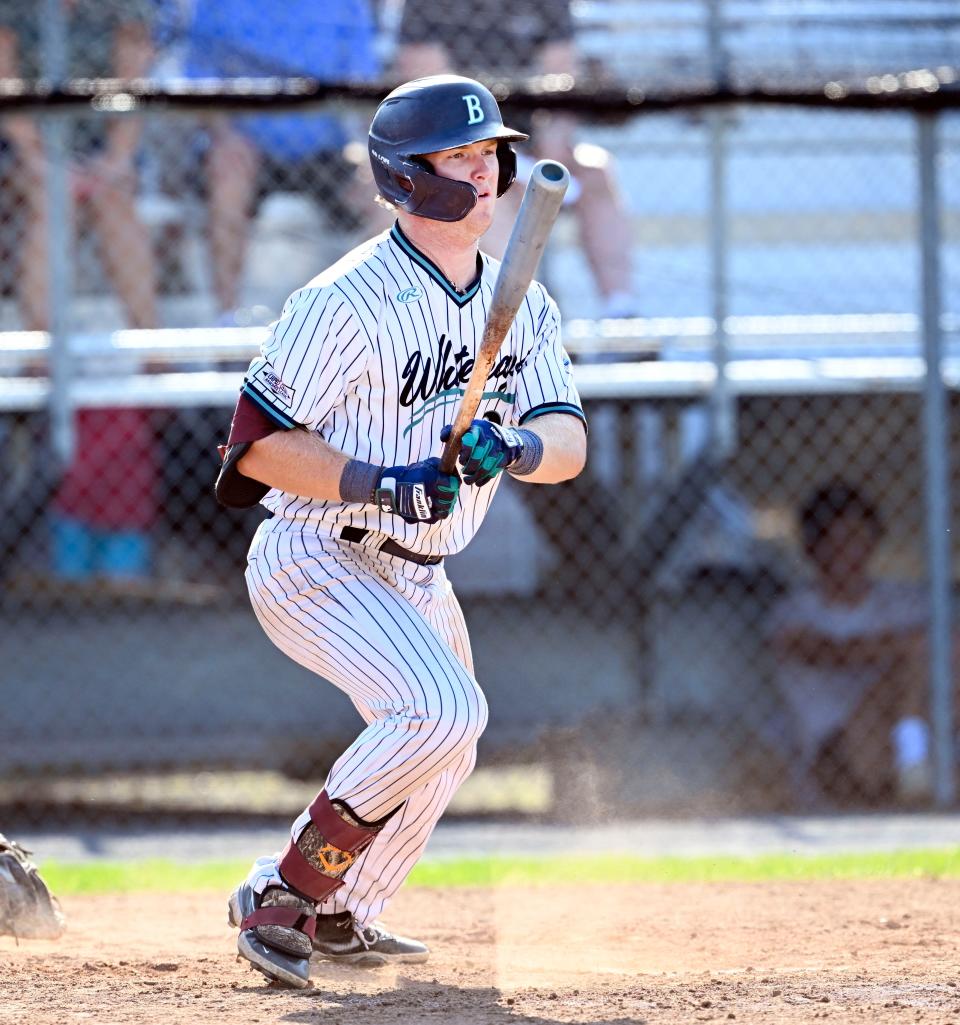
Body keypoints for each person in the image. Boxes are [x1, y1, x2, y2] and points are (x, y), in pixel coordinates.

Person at [214, 74, 587, 988]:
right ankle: (284, 889)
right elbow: (253, 449)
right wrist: (381, 482)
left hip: (422, 572)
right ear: (407, 178)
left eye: (488, 152)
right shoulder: (343, 300)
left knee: (449, 741)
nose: (486, 170)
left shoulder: (523, 303)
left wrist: (518, 445)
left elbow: (570, 440)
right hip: (320, 552)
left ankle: (346, 908)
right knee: (444, 708)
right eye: (458, 156)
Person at [0, 1, 162, 581]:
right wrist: (42, 161)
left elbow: (134, 74)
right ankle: (42, 341)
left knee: (117, 199)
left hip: (99, 151)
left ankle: (148, 345)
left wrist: (116, 160)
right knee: (50, 202)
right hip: (23, 148)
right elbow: (4, 78)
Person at [393, 0, 641, 321]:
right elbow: (432, 92)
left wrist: (553, 142)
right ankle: (525, 321)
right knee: (494, 187)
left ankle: (621, 312)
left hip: (531, 142)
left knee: (595, 172)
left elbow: (562, 75)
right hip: (461, 148)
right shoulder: (430, 5)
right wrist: (494, 154)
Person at [181, 0, 385, 326]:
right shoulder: (215, 4)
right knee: (227, 166)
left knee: (384, 187)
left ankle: (362, 322)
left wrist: (365, 151)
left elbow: (362, 88)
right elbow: (199, 79)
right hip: (248, 145)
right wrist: (224, 133)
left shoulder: (348, 4)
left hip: (328, 151)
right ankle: (227, 321)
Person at [766, 481, 934, 807]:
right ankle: (913, 758)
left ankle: (913, 760)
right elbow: (831, 653)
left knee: (937, 653)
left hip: (904, 740)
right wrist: (908, 645)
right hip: (837, 755)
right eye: (836, 539)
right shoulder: (793, 610)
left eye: (859, 538)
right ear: (813, 548)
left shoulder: (904, 601)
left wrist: (913, 647)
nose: (849, 550)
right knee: (921, 654)